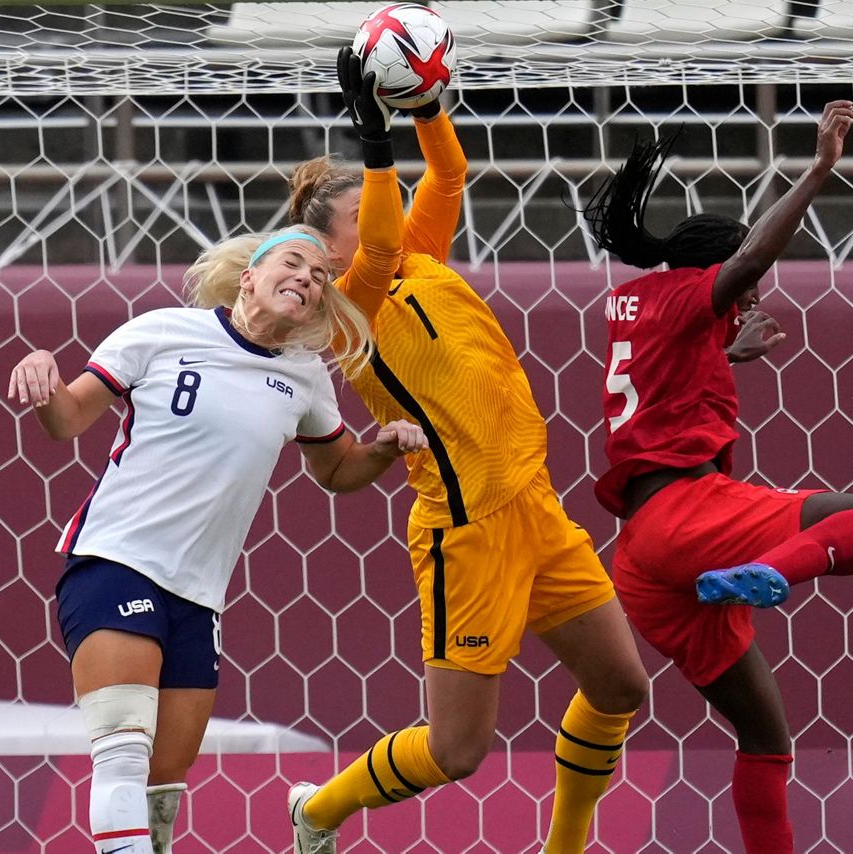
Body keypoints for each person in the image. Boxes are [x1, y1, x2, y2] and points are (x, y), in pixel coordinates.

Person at [282, 49, 650, 854]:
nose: (392, 209)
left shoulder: (420, 259)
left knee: (621, 683)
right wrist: (372, 138)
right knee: (458, 751)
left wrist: (423, 102)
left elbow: (447, 175)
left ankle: (565, 848)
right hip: (465, 532)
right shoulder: (350, 309)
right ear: (331, 245)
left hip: (533, 507)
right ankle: (319, 810)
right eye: (366, 213)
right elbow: (377, 243)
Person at [7, 226, 428, 854]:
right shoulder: (162, 332)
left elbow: (338, 471)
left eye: (318, 279)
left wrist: (383, 449)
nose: (307, 282)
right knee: (122, 750)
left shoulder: (305, 377)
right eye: (293, 264)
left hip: (198, 597)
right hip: (115, 561)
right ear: (249, 275)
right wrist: (43, 372)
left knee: (161, 789)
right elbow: (66, 418)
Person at [582, 101, 853, 853]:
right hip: (688, 518)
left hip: (644, 559)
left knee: (766, 738)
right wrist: (821, 168)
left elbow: (661, 382)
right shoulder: (690, 295)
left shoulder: (636, 308)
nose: (745, 308)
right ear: (713, 274)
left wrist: (727, 355)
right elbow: (750, 262)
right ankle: (769, 571)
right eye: (741, 301)